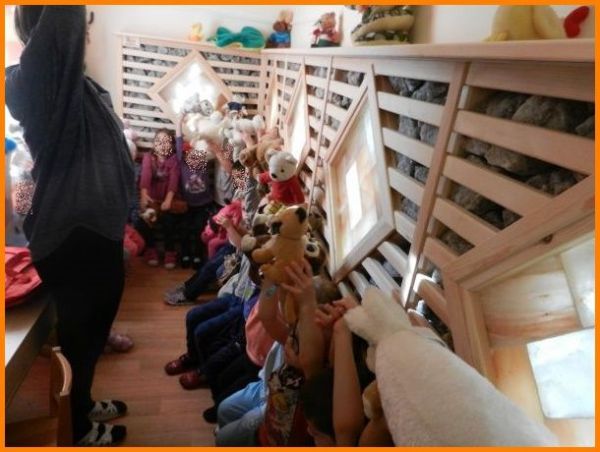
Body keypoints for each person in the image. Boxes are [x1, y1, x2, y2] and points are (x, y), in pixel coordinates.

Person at [6, 6, 134, 446]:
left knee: (93, 336)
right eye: (82, 29)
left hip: (94, 233)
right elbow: (62, 20)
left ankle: (82, 401)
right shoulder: (41, 81)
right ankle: (77, 428)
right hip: (74, 236)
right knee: (82, 340)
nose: (86, 36)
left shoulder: (71, 85)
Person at [135, 128, 181, 269]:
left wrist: (168, 200)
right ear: (154, 144)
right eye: (159, 141)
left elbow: (173, 181)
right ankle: (151, 249)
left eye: (166, 141)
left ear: (171, 145)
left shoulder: (174, 160)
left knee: (169, 222)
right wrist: (144, 196)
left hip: (167, 199)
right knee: (143, 220)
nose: (162, 144)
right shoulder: (149, 158)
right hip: (152, 200)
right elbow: (145, 176)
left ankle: (170, 252)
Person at [175, 115, 216, 269]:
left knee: (200, 230)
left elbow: (209, 143)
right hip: (187, 205)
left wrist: (202, 129)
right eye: (188, 154)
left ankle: (198, 255)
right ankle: (185, 254)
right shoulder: (182, 164)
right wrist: (179, 122)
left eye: (195, 154)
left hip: (203, 204)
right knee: (185, 230)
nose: (192, 157)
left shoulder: (203, 162)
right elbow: (179, 142)